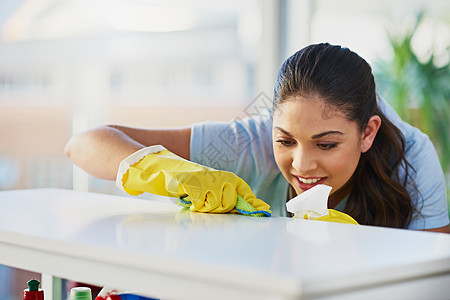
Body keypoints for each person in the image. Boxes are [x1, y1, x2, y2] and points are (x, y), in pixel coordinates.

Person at [65, 43, 449, 233]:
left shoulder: (412, 161)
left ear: (367, 133)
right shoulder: (249, 143)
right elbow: (84, 143)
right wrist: (168, 171)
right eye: (285, 141)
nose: (301, 165)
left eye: (326, 144)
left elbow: (435, 284)